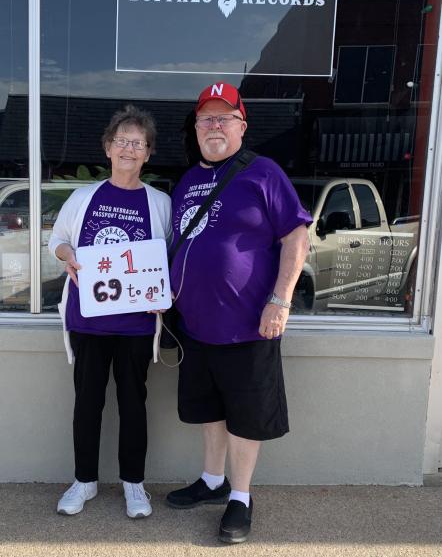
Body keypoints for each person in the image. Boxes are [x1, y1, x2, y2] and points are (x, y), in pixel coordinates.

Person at [165, 82, 311, 544]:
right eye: (205, 118)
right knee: (211, 411)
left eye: (223, 117)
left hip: (250, 324)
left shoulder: (263, 173)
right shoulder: (187, 182)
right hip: (196, 327)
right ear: (196, 128)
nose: (213, 125)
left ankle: (241, 497)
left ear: (241, 127)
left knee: (246, 416)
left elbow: (296, 238)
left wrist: (280, 299)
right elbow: (179, 247)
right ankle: (212, 481)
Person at [49, 105, 171, 519]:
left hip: (136, 324)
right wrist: (69, 256)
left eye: (138, 144)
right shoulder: (84, 198)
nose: (128, 149)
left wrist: (162, 293)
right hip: (89, 320)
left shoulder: (159, 203)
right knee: (88, 401)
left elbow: (167, 258)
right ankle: (84, 481)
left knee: (134, 403)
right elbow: (58, 241)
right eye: (122, 141)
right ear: (107, 148)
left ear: (148, 153)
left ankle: (134, 485)